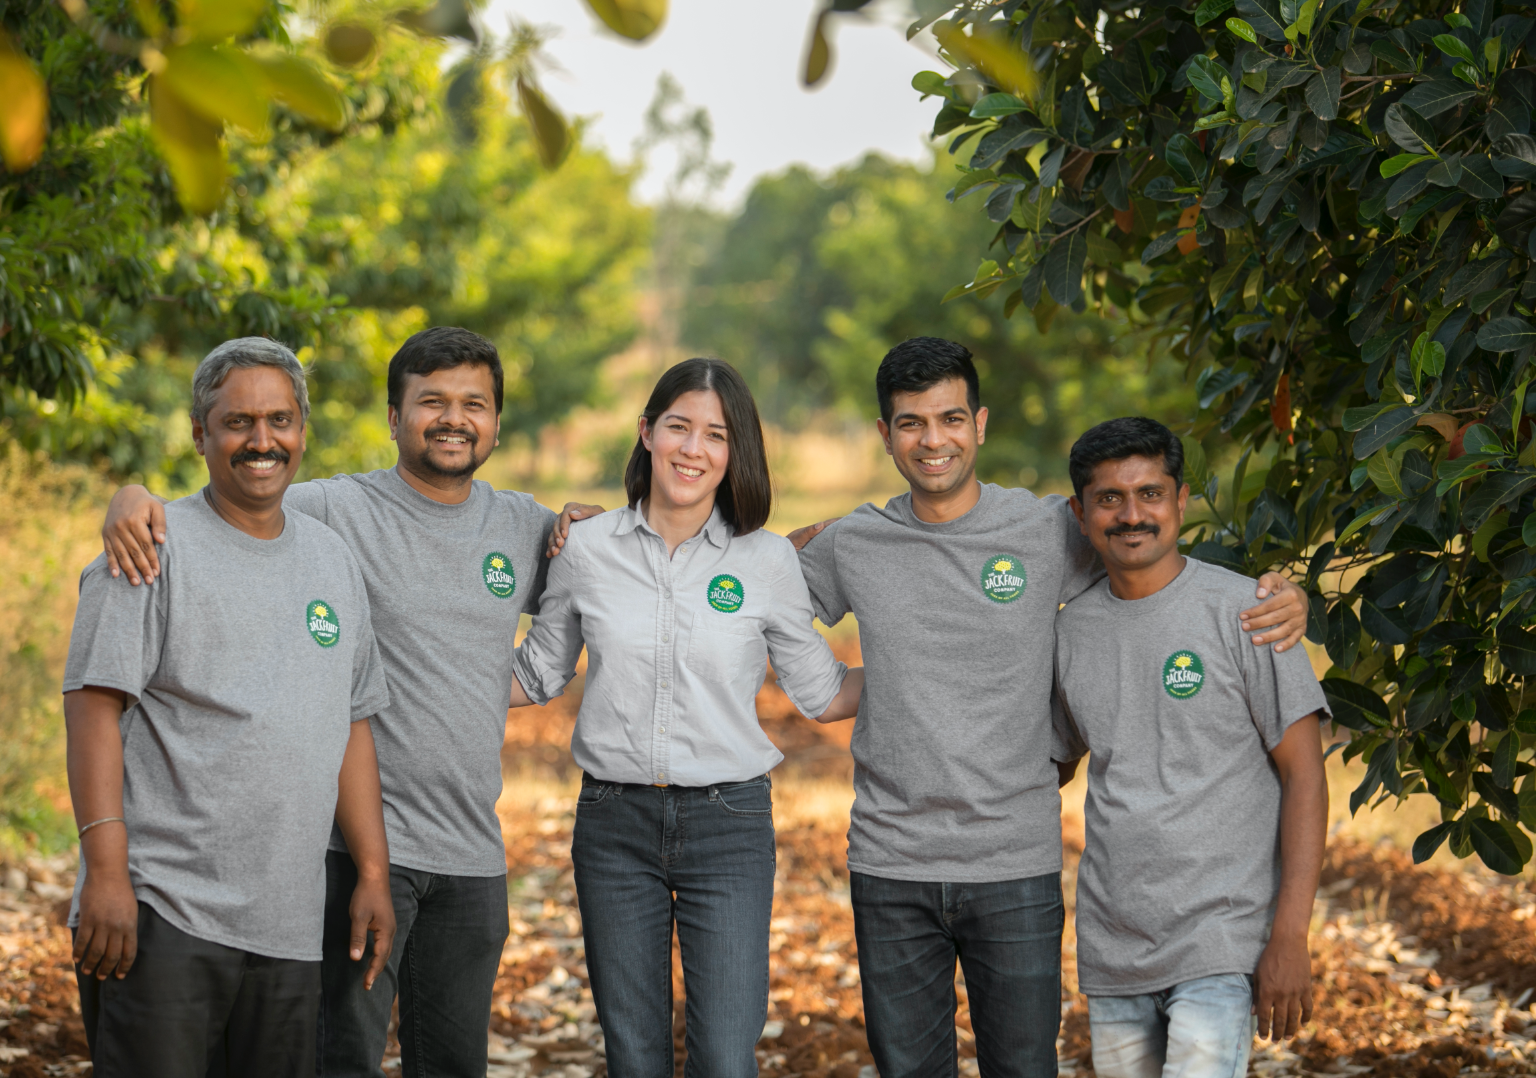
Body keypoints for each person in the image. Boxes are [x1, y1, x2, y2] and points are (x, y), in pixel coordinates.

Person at [785, 338, 1311, 1077]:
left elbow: (1159, 554)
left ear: (980, 423)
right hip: (891, 858)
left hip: (1015, 863)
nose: (933, 439)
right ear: (885, 435)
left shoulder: (1045, 530)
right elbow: (753, 602)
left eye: (950, 418)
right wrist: (840, 681)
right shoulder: (855, 541)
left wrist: (1285, 591)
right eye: (911, 423)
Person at [96, 327, 601, 1078]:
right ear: (393, 417)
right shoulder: (333, 511)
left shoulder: (524, 527)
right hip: (352, 852)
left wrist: (596, 531)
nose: (453, 419)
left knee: (455, 1063)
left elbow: (618, 587)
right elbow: (228, 503)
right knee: (342, 1061)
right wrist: (131, 498)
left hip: (469, 850)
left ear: (497, 422)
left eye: (474, 404)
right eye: (431, 402)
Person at [510, 358, 865, 1078]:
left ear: (736, 453)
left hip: (729, 826)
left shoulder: (765, 561)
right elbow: (534, 673)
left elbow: (824, 695)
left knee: (727, 1060)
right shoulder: (584, 548)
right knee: (634, 1058)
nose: (693, 449)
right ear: (647, 433)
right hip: (612, 827)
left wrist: (938, 668)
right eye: (678, 427)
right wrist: (414, 669)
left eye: (716, 434)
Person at [63, 338, 395, 1077]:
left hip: (286, 921)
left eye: (279, 420)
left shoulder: (331, 561)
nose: (261, 440)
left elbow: (351, 723)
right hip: (163, 911)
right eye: (238, 421)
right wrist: (107, 872)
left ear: (303, 431)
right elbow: (91, 708)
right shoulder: (149, 548)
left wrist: (373, 871)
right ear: (200, 434)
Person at [1052, 416, 1329, 1078]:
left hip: (1220, 937)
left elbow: (1306, 778)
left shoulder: (1248, 613)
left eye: (1150, 493)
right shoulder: (1071, 632)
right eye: (1109, 498)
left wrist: (1289, 936)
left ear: (1181, 502)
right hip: (1114, 942)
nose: (1131, 514)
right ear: (1080, 512)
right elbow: (1051, 763)